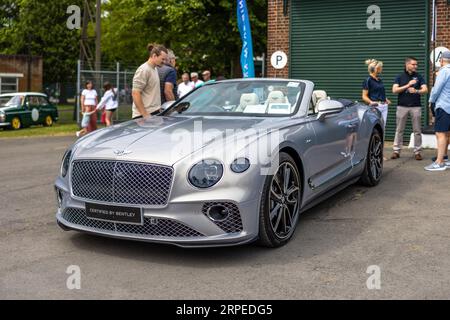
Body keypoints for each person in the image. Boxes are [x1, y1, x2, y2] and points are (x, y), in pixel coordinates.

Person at [391, 57, 428, 160]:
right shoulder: (400, 76)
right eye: (413, 64)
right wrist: (407, 85)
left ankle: (417, 152)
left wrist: (416, 91)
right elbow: (394, 90)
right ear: (407, 65)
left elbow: (425, 89)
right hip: (402, 107)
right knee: (399, 130)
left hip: (416, 107)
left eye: (416, 64)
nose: (416, 66)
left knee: (417, 130)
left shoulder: (419, 77)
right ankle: (396, 151)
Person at [425, 51, 450, 171]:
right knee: (446, 133)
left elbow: (436, 89)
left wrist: (431, 101)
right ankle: (444, 158)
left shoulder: (444, 71)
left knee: (440, 133)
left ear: (442, 60)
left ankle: (439, 162)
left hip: (443, 106)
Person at [131, 43, 168, 120]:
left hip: (153, 114)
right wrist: (145, 115)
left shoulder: (154, 69)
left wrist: (158, 108)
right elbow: (135, 93)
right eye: (163, 59)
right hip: (143, 117)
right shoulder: (144, 70)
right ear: (154, 56)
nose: (164, 62)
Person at [362, 59, 391, 127]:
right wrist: (371, 102)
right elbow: (364, 96)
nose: (382, 69)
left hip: (384, 106)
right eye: (380, 67)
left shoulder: (379, 80)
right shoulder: (368, 80)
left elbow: (378, 92)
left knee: (383, 127)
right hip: (375, 106)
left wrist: (385, 99)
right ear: (376, 69)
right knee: (375, 126)